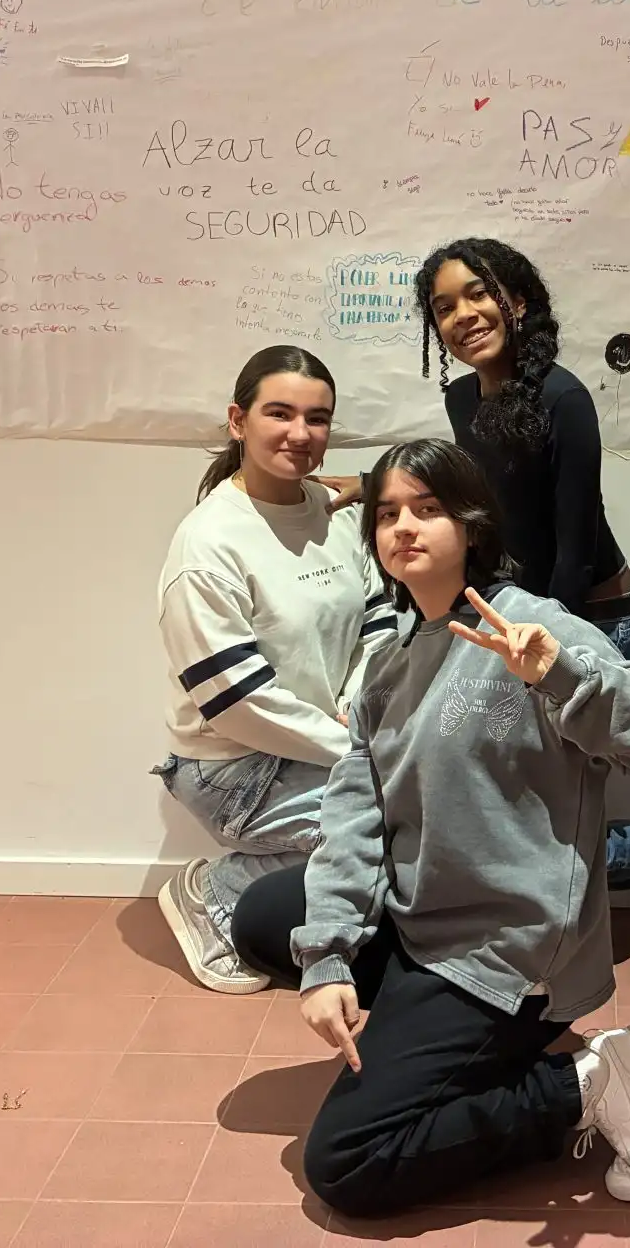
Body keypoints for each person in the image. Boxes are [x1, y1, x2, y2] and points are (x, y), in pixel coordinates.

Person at [229, 439, 630, 1216]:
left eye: (428, 508)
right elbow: (354, 818)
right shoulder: (387, 668)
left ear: (472, 526)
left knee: (346, 1165)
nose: (404, 527)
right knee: (265, 916)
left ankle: (583, 1083)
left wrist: (560, 675)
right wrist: (328, 956)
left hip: (508, 945)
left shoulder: (532, 627)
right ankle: (437, 1047)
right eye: (387, 514)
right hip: (424, 923)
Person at [418, 236, 630, 929]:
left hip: (591, 611)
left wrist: (551, 649)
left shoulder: (565, 397)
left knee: (566, 790)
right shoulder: (461, 399)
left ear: (518, 302)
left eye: (478, 294)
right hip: (523, 613)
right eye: (444, 307)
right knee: (536, 795)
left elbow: (574, 543)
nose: (462, 315)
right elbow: (486, 505)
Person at [151, 346, 395, 995]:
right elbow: (238, 702)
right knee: (393, 825)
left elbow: (376, 619)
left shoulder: (336, 511)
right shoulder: (207, 545)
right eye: (279, 413)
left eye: (317, 418)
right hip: (232, 766)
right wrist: (356, 749)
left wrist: (357, 700)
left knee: (422, 808)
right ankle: (218, 892)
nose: (300, 433)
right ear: (238, 421)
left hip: (324, 740)